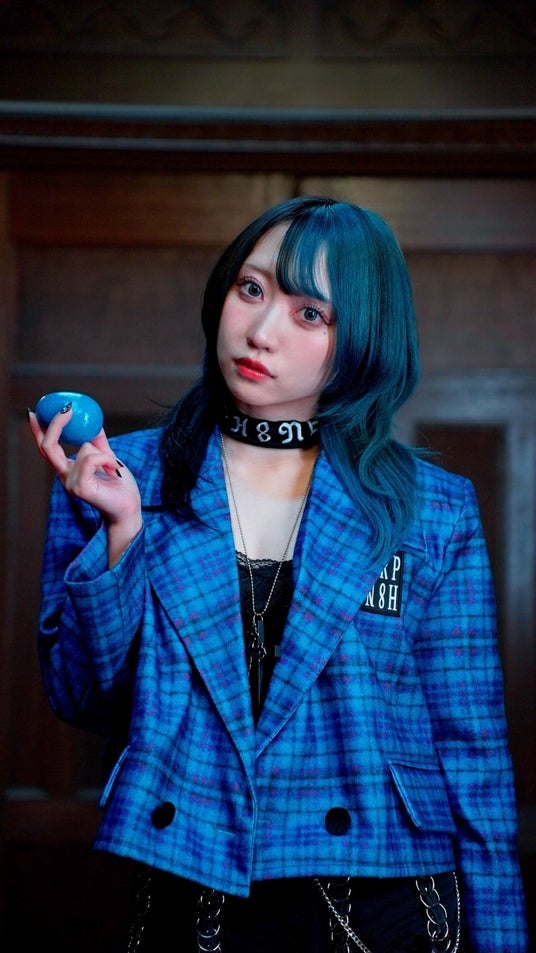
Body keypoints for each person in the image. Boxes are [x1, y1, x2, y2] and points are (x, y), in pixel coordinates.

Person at [28, 195, 529, 953]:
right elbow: (83, 697)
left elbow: (473, 749)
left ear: (363, 338)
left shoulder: (431, 507)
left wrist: (500, 941)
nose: (261, 331)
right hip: (192, 883)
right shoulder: (117, 474)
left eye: (310, 314)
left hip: (387, 895)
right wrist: (123, 532)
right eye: (252, 288)